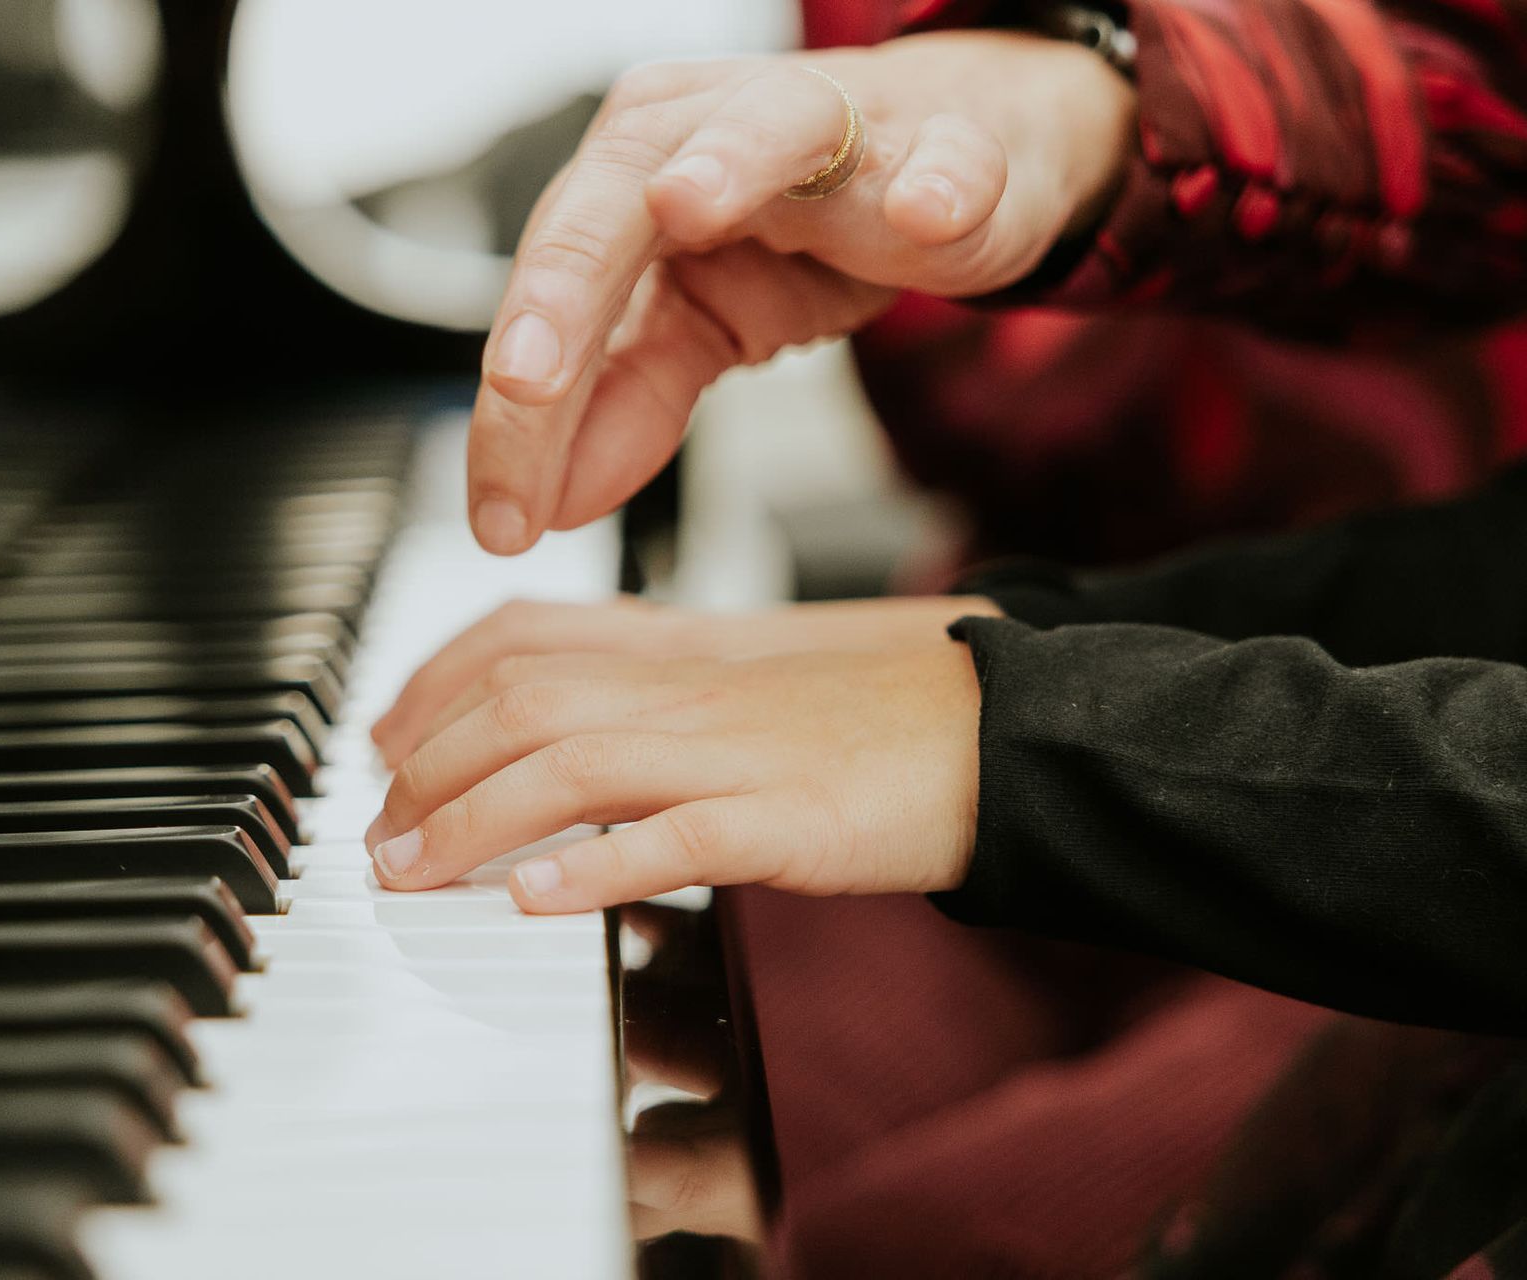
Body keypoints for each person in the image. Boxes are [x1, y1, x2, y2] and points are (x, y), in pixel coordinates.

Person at [362, 3, 1527, 1274]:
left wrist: (1022, 735)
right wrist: (982, 646)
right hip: (1270, 654)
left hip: (1431, 837)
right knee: (710, 1045)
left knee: (897, 1239)